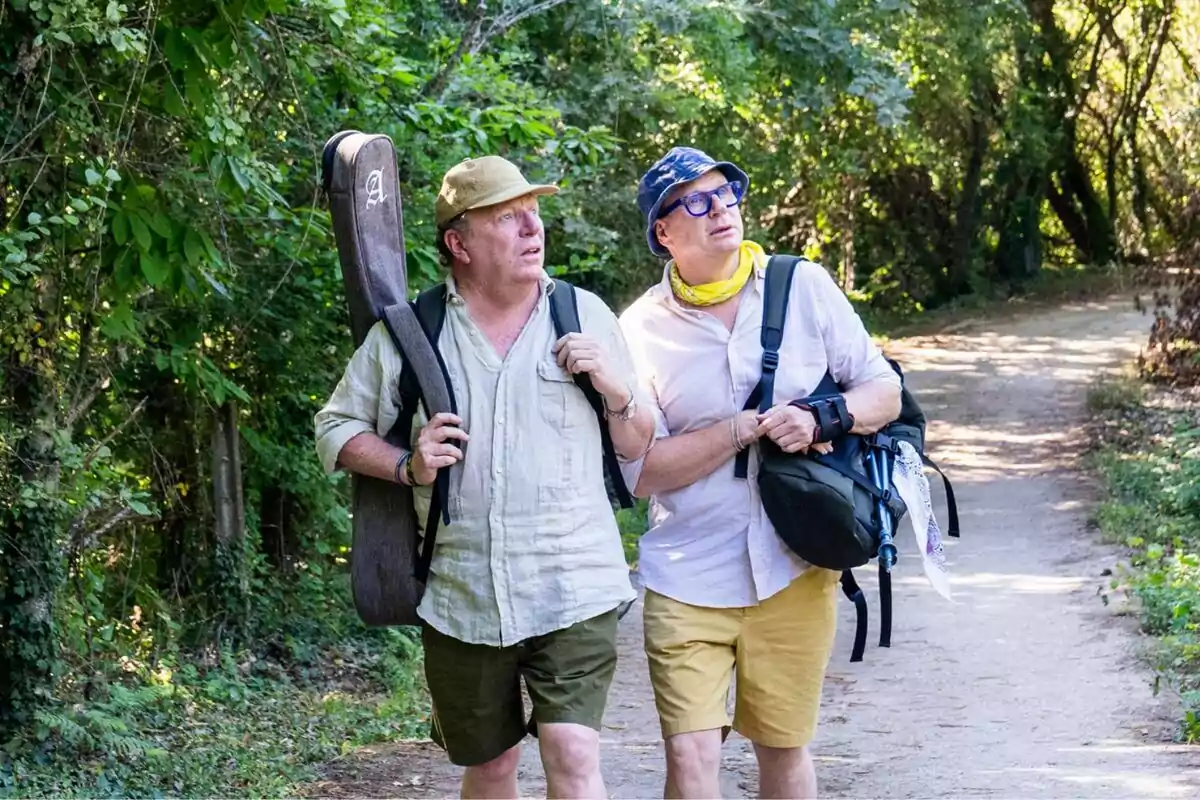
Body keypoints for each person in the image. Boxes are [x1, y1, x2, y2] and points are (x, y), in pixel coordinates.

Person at [314, 155, 655, 799]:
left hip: (574, 582)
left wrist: (615, 390)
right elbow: (335, 428)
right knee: (491, 767)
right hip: (462, 592)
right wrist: (404, 464)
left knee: (572, 753)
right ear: (458, 242)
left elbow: (637, 443)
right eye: (507, 217)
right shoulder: (414, 334)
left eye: (534, 213)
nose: (532, 228)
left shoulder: (582, 316)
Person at [617, 146, 902, 799]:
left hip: (794, 565)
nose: (720, 209)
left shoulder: (802, 285)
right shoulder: (638, 330)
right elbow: (642, 473)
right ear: (664, 231)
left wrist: (822, 419)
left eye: (727, 195)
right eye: (698, 200)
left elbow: (882, 392)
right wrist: (736, 430)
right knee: (691, 765)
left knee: (783, 752)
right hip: (687, 573)